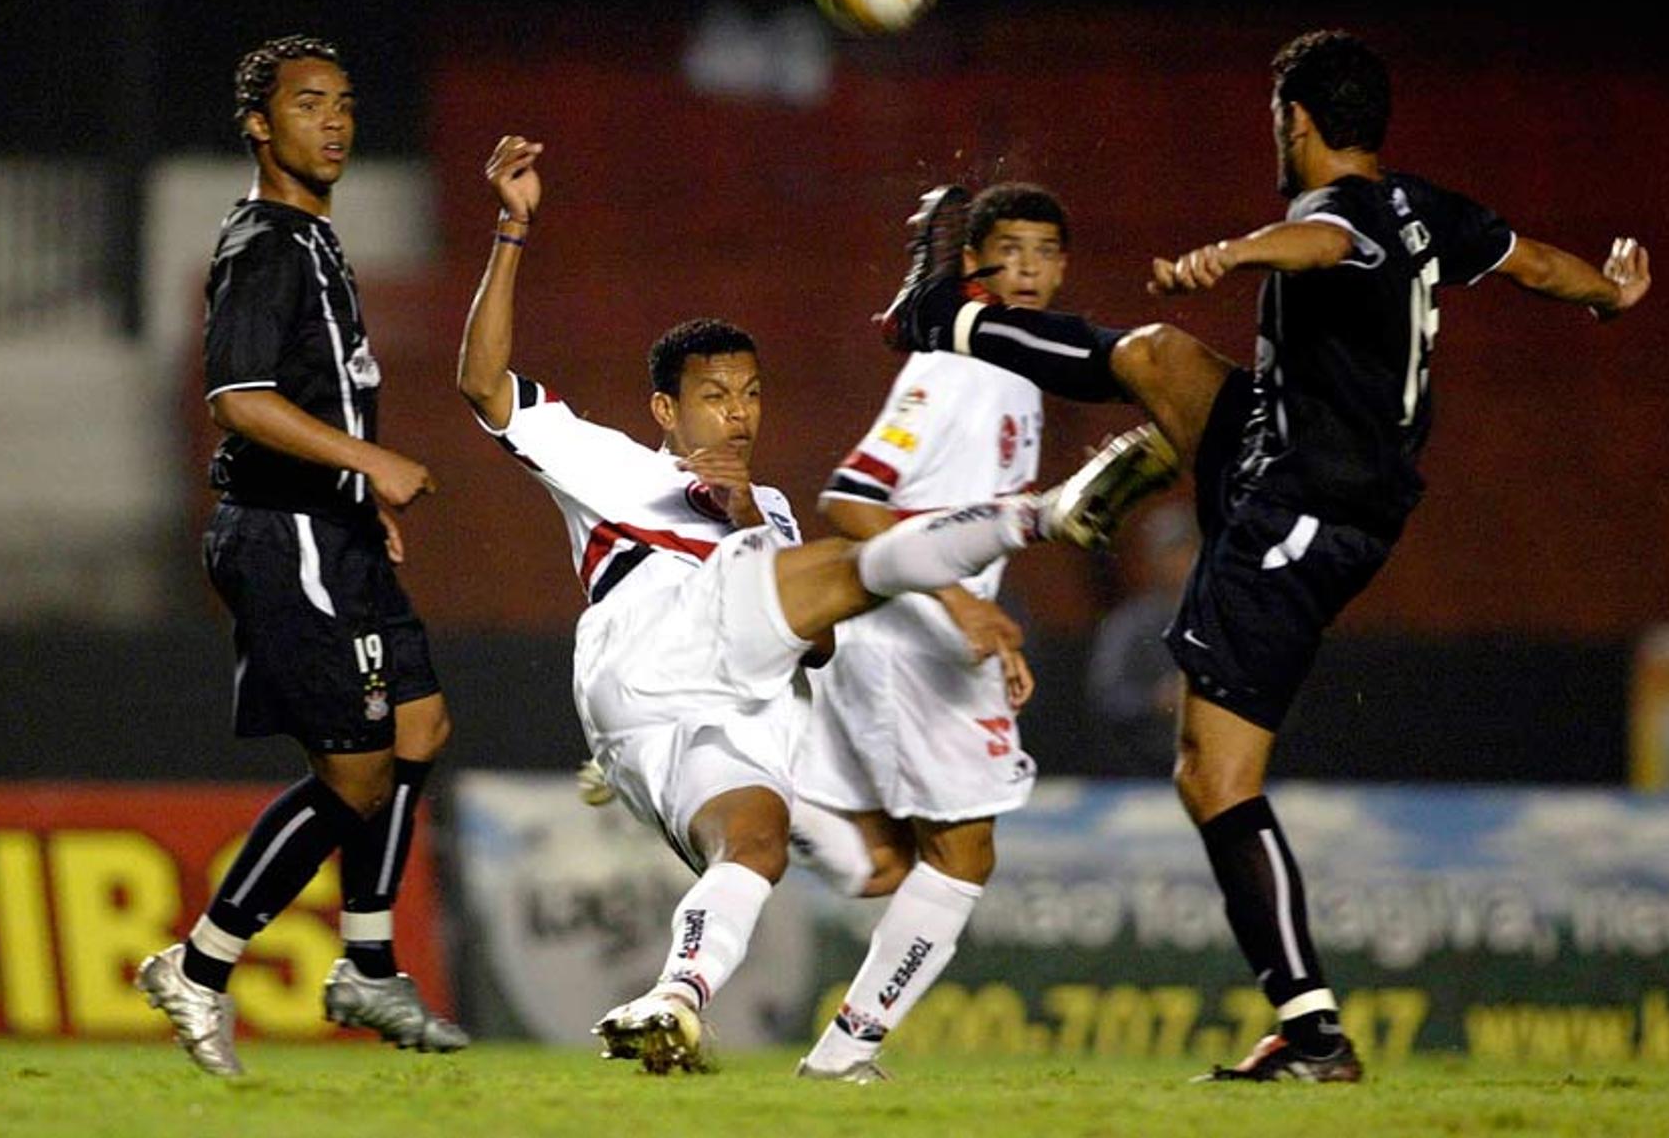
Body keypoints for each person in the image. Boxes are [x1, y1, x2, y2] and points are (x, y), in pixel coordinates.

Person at [876, 29, 1651, 1082]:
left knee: (1213, 772)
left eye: (1275, 120)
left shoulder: (1337, 216)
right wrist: (1609, 292)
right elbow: (1541, 265)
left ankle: (1312, 1029)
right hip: (1287, 451)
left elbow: (1324, 244)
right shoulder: (1432, 209)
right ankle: (951, 327)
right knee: (1156, 356)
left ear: (1296, 121)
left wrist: (1236, 253)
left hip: (1304, 510)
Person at [456, 136, 1098, 1074]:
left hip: (699, 719)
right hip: (652, 646)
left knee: (754, 848)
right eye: (714, 395)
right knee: (853, 562)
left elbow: (822, 644)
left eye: (752, 393)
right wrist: (514, 225)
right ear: (665, 411)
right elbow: (482, 383)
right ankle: (1035, 516)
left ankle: (675, 997)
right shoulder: (616, 467)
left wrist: (757, 516)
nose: (740, 412)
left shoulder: (773, 512)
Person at [136, 35, 467, 1076]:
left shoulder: (317, 239)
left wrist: (355, 489)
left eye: (345, 101)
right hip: (288, 539)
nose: (334, 120)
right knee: (357, 775)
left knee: (420, 720)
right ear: (258, 124)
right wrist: (368, 458)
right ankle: (200, 965)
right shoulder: (265, 245)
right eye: (308, 103)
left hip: (335, 525)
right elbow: (237, 398)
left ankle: (367, 962)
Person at [786, 182, 1067, 1082]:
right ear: (973, 264)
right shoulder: (953, 371)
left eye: (1044, 250)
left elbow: (962, 524)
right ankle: (844, 1053)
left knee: (894, 861)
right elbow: (850, 501)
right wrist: (959, 606)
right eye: (1008, 249)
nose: (1026, 267)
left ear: (1063, 267)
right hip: (906, 638)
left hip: (930, 637)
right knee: (963, 854)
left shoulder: (1018, 373)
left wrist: (991, 625)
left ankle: (761, 784)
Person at [1085, 500, 1198, 774]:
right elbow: (1107, 695)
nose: (1179, 562)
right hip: (1145, 764)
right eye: (1170, 552)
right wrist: (1156, 699)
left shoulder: (1226, 620)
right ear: (1154, 558)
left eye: (1186, 550)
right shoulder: (1130, 623)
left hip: (1216, 759)